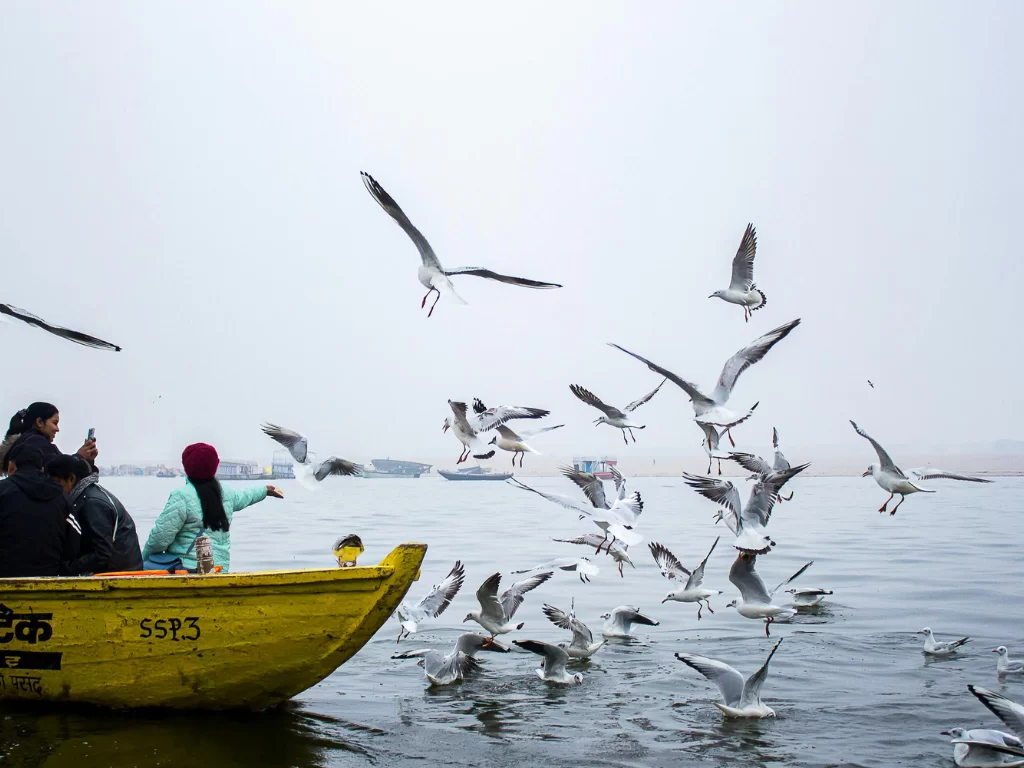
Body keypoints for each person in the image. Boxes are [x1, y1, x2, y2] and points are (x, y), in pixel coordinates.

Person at [143, 443, 283, 573]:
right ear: (215, 466)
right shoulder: (226, 493)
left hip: (185, 571)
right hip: (218, 570)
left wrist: (142, 559)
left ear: (187, 467)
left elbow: (159, 538)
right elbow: (246, 496)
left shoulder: (181, 496)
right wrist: (265, 490)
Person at [48, 455, 143, 574]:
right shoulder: (85, 496)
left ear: (71, 478)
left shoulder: (93, 503)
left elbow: (102, 553)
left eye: (57, 483)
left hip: (119, 573)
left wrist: (67, 568)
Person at [0, 442, 81, 578]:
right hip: (49, 580)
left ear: (11, 467)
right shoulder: (61, 497)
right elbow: (74, 544)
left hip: (5, 580)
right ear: (42, 469)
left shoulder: (2, 491)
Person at [5, 403, 98, 473]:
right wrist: (80, 457)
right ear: (40, 422)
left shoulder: (26, 442)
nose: (57, 429)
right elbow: (57, 472)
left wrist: (87, 459)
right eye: (55, 423)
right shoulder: (36, 443)